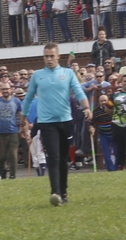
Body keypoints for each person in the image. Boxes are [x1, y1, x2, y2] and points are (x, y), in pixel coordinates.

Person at [22, 43, 91, 206]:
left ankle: (64, 192)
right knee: (52, 157)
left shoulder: (67, 73)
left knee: (62, 159)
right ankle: (55, 193)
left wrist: (86, 107)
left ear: (58, 56)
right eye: (46, 56)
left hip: (65, 122)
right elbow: (29, 97)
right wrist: (23, 117)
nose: (49, 59)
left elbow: (79, 91)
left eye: (52, 56)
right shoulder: (37, 75)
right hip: (47, 123)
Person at [0, 82, 23, 180]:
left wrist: (22, 127)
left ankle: (12, 175)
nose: (5, 91)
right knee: (1, 156)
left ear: (11, 89)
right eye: (3, 89)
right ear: (0, 91)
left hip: (13, 132)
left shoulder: (16, 101)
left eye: (7, 89)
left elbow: (21, 115)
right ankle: (3, 172)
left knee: (13, 155)